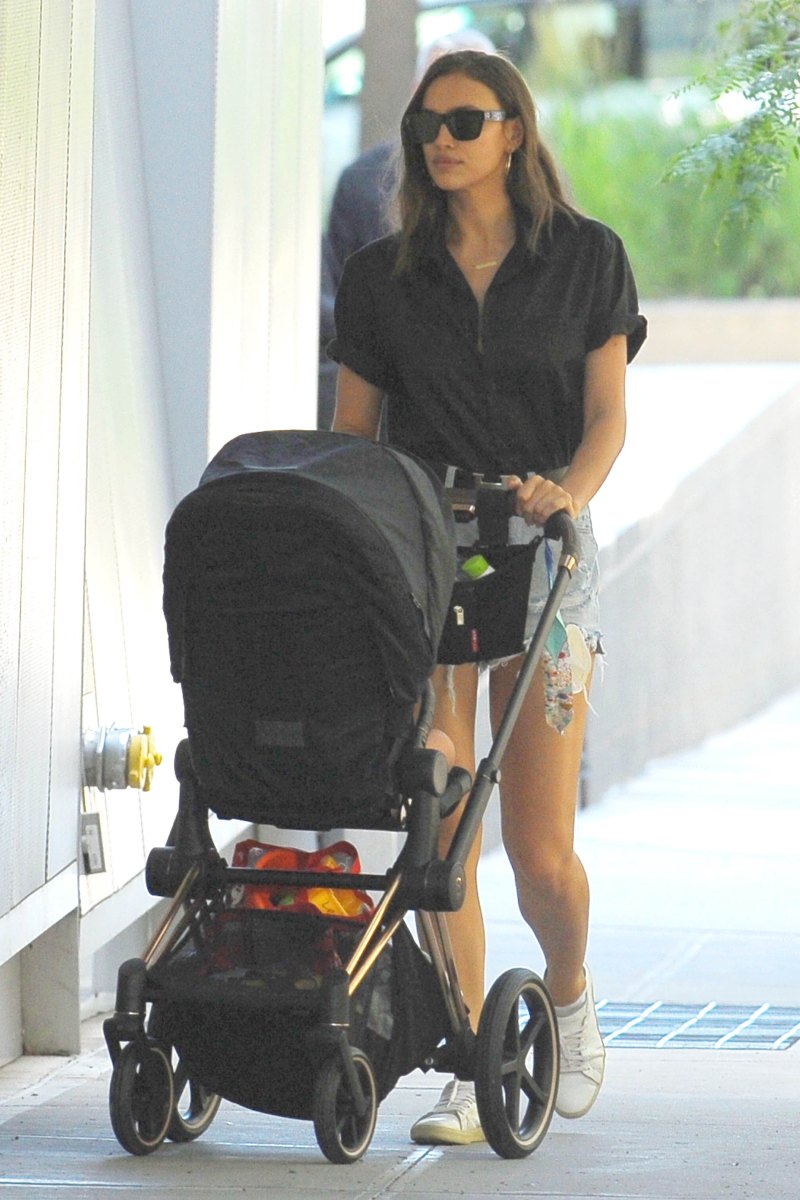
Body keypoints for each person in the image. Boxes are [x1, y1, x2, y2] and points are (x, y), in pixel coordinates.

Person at [329, 50, 646, 1144]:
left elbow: (606, 418)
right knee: (442, 826)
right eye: (426, 123)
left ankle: (564, 992)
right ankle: (475, 1058)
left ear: (514, 130)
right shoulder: (381, 279)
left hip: (545, 548)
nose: (441, 139)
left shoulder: (586, 260)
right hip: (423, 548)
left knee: (538, 846)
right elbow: (348, 437)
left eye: (465, 120)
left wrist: (567, 489)